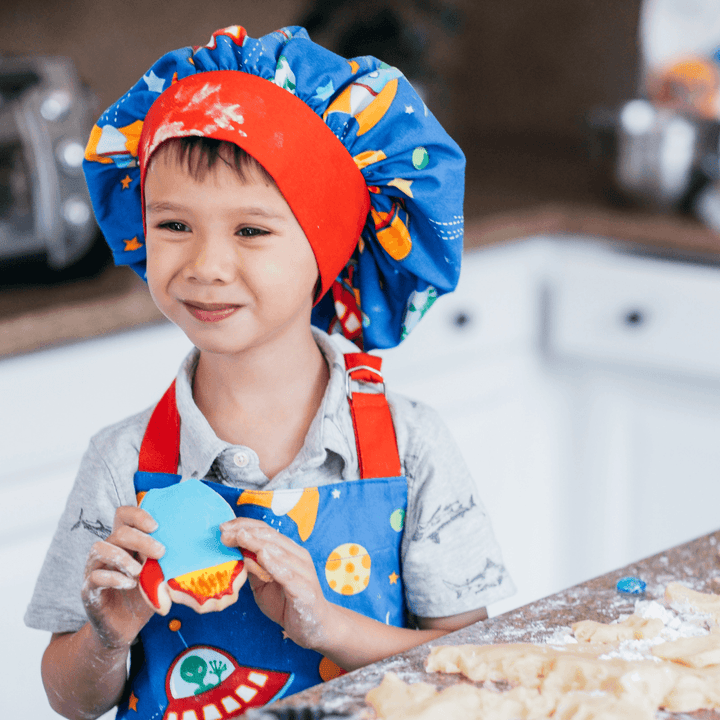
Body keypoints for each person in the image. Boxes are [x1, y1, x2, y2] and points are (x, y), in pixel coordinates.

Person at [25, 24, 515, 720]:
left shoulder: (408, 446)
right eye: (173, 225)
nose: (205, 266)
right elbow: (69, 700)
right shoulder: (122, 462)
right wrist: (109, 631)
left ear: (330, 243)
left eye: (250, 231)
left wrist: (325, 625)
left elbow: (472, 673)